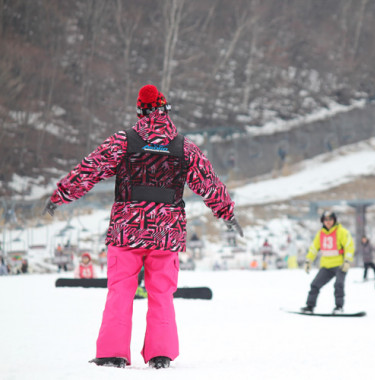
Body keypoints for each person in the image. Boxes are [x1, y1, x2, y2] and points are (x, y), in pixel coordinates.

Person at [43, 84, 242, 369]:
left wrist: (60, 194)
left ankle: (112, 353)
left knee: (120, 291)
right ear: (165, 110)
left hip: (127, 230)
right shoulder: (184, 147)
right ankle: (160, 355)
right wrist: (227, 213)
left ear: (140, 111)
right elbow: (208, 183)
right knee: (161, 294)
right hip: (166, 232)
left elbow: (90, 169)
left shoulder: (124, 142)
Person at [301, 211, 354, 314]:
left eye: (330, 219)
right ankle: (309, 306)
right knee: (315, 285)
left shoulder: (341, 232)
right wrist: (308, 261)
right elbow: (313, 249)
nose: (328, 222)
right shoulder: (320, 234)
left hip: (340, 265)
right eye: (326, 220)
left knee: (338, 285)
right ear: (323, 221)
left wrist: (347, 261)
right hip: (326, 265)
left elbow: (349, 246)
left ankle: (339, 307)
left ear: (334, 220)